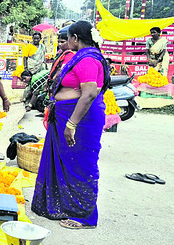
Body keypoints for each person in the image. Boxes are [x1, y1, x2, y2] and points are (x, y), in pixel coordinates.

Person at [32, 20, 110, 230]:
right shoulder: (85, 57)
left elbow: (90, 93)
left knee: (80, 165)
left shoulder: (87, 60)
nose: (67, 41)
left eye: (69, 38)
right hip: (68, 115)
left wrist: (72, 124)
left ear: (76, 38)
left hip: (80, 120)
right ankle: (65, 205)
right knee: (67, 163)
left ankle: (86, 216)